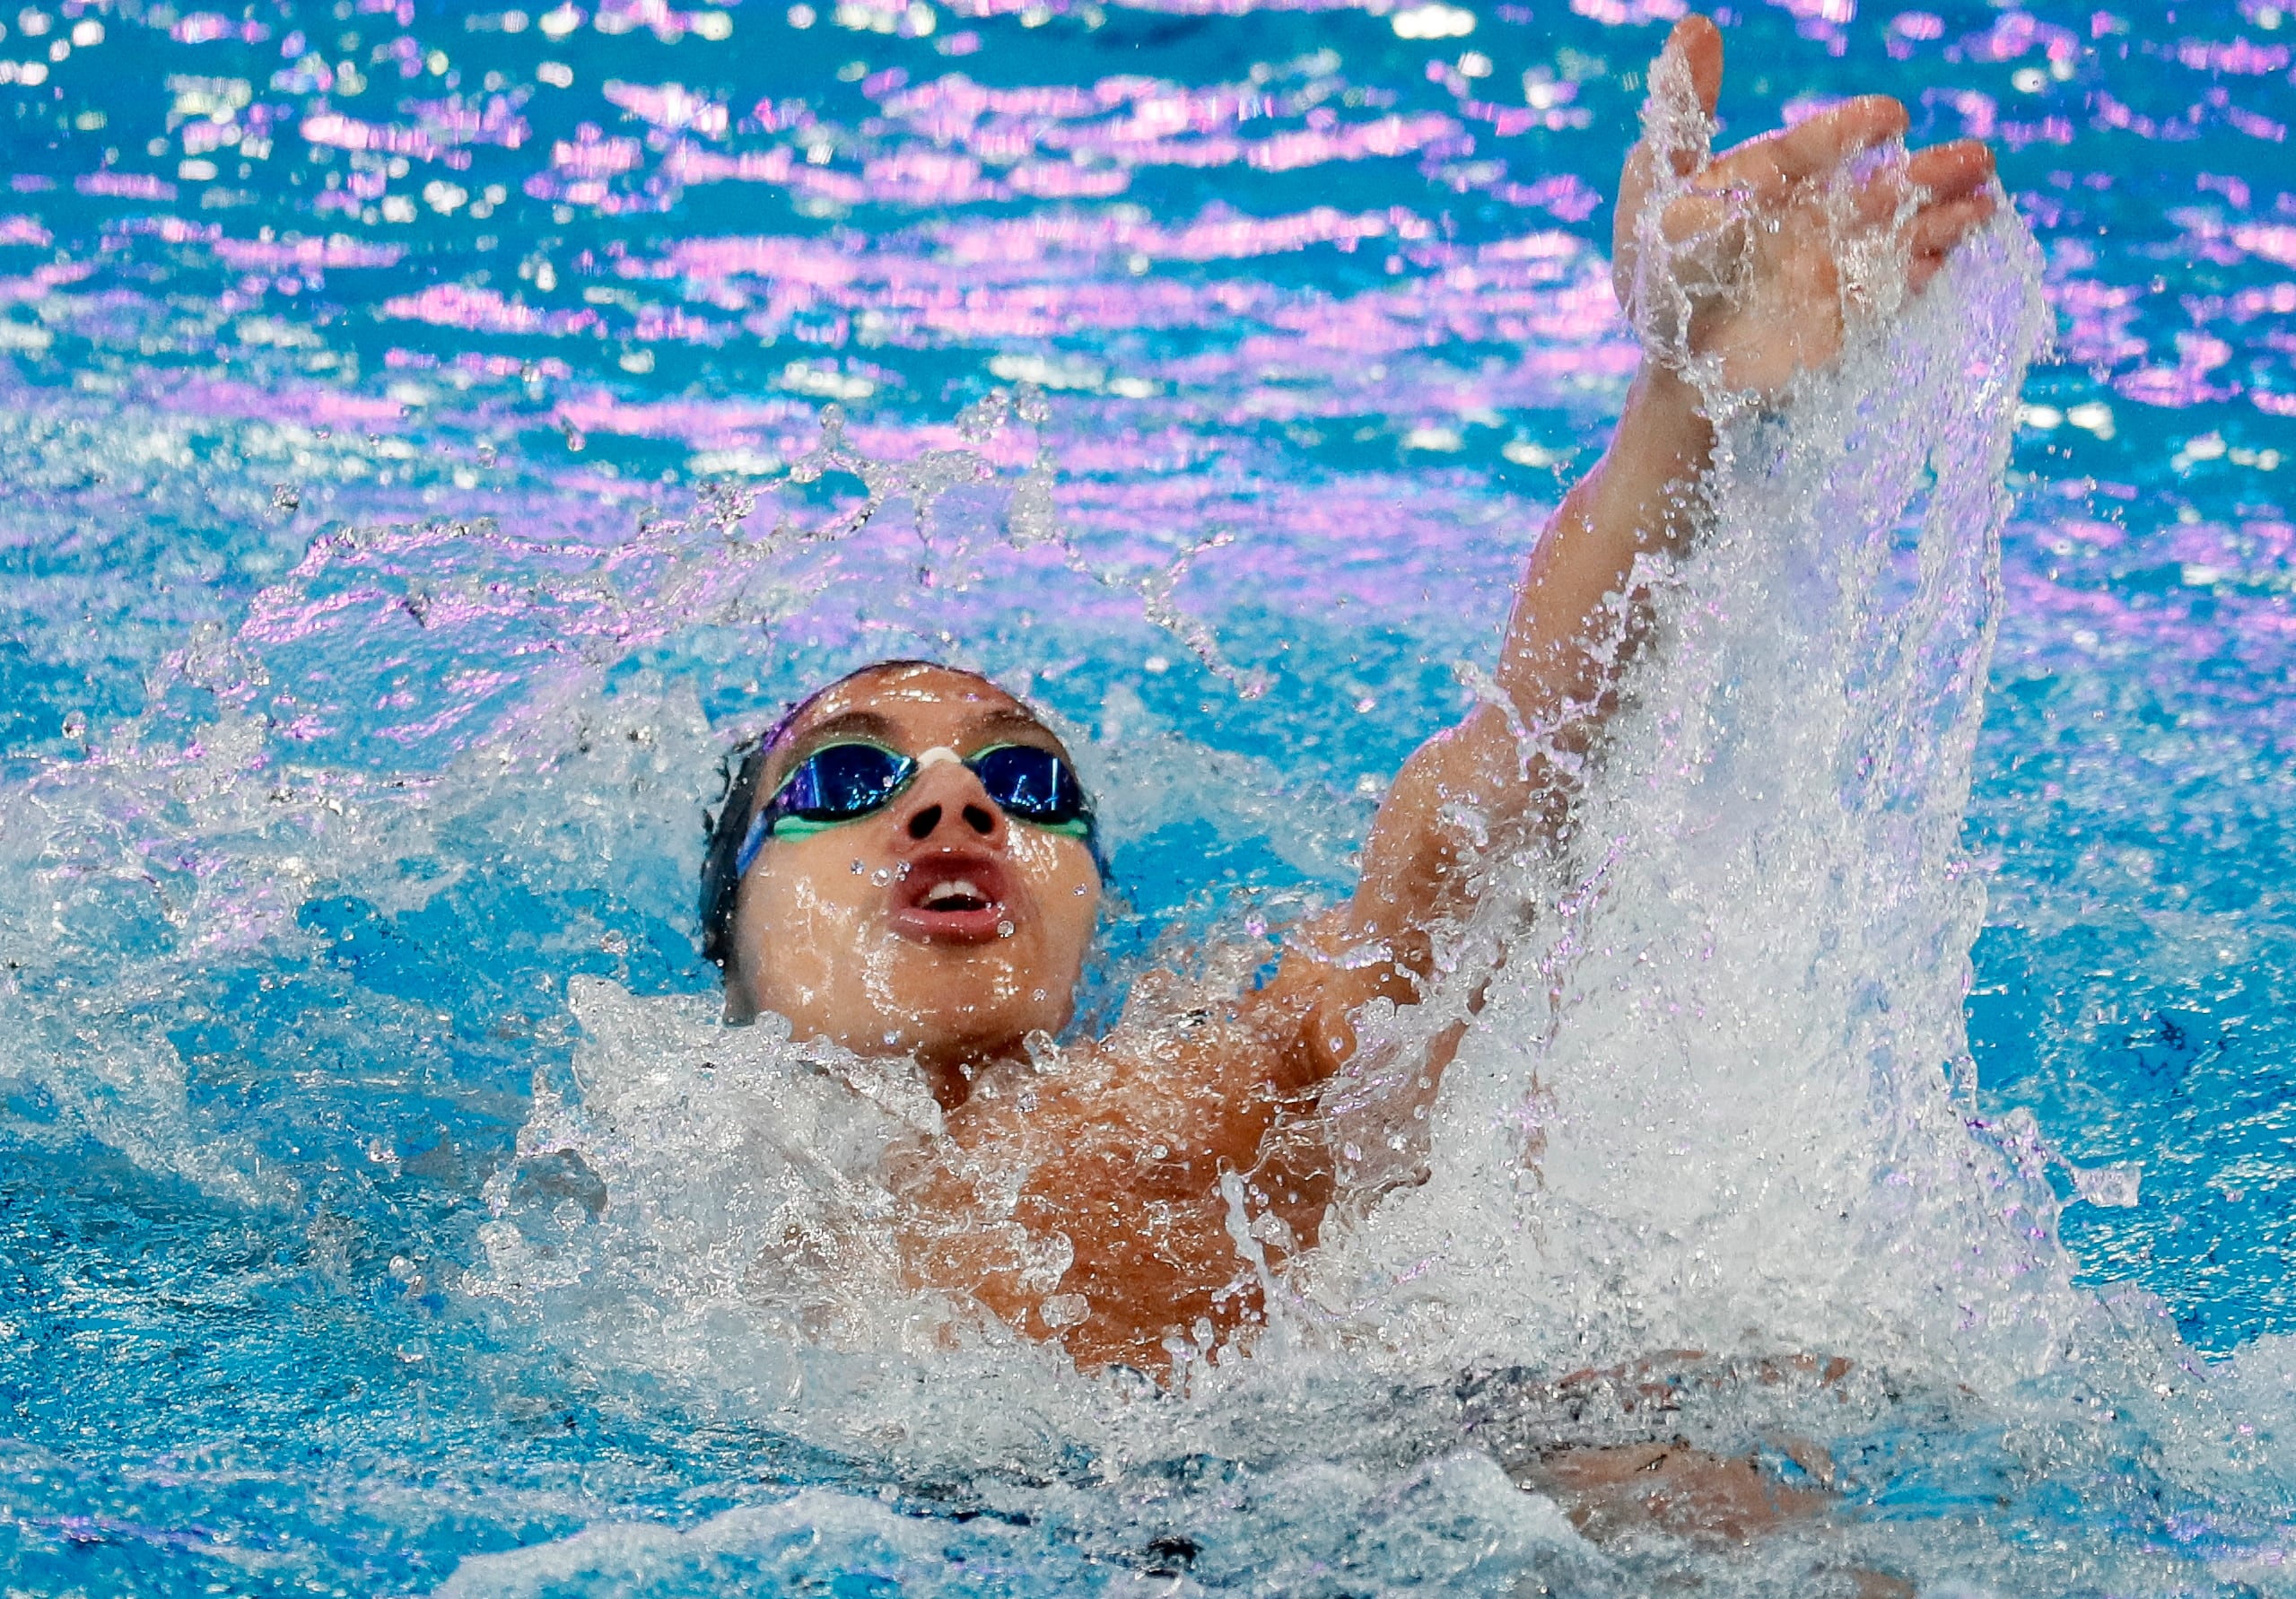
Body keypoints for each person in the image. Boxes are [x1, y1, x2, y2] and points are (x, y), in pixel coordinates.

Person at [697, 17, 1997, 1384]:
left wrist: (1684, 393)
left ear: (1093, 907)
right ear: (732, 929)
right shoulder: (607, 1205)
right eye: (853, 778)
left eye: (1026, 786)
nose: (954, 797)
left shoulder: (1211, 1076)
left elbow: (1489, 802)